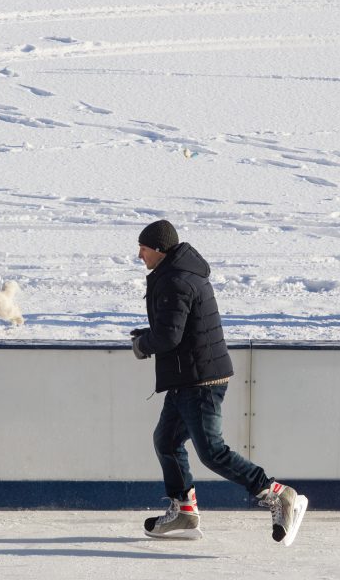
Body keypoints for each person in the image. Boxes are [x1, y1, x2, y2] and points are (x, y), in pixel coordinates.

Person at [131, 219, 308, 544]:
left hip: (200, 380)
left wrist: (143, 345)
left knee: (211, 451)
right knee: (166, 440)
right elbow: (176, 329)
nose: (139, 254)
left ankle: (277, 493)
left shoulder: (176, 280)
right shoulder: (177, 274)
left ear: (157, 249)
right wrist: (148, 336)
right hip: (189, 376)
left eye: (143, 248)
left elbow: (170, 336)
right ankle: (184, 511)